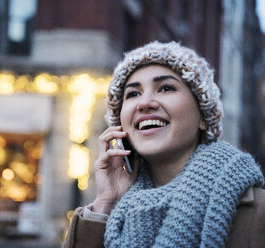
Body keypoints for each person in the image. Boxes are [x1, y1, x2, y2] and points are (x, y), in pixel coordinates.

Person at [63, 41, 265, 248]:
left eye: (166, 88)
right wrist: (105, 202)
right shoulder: (107, 214)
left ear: (203, 116)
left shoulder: (258, 211)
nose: (145, 103)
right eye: (133, 94)